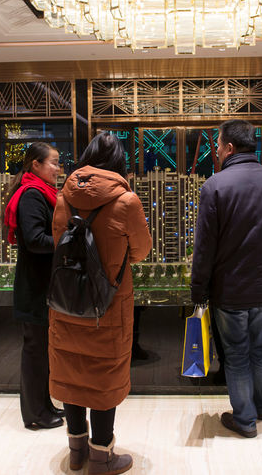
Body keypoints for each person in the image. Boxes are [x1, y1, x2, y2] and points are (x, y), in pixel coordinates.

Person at [191, 119, 262, 439]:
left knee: (237, 354)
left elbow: (205, 246)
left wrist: (198, 288)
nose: (215, 151)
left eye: (217, 145)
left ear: (229, 148)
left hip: (230, 289)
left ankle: (245, 420)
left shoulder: (215, 186)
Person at [49, 132, 151, 474]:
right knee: (102, 378)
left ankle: (76, 450)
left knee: (71, 374)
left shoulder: (64, 198)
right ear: (119, 163)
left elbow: (57, 243)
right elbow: (140, 251)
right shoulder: (127, 201)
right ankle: (101, 457)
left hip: (66, 301)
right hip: (107, 305)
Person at [4, 142, 65, 430]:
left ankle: (44, 405)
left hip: (43, 285)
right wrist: (68, 241)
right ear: (35, 165)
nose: (58, 168)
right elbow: (35, 240)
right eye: (53, 162)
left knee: (42, 351)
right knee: (35, 352)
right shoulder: (31, 195)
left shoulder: (42, 193)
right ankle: (34, 414)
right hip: (34, 286)